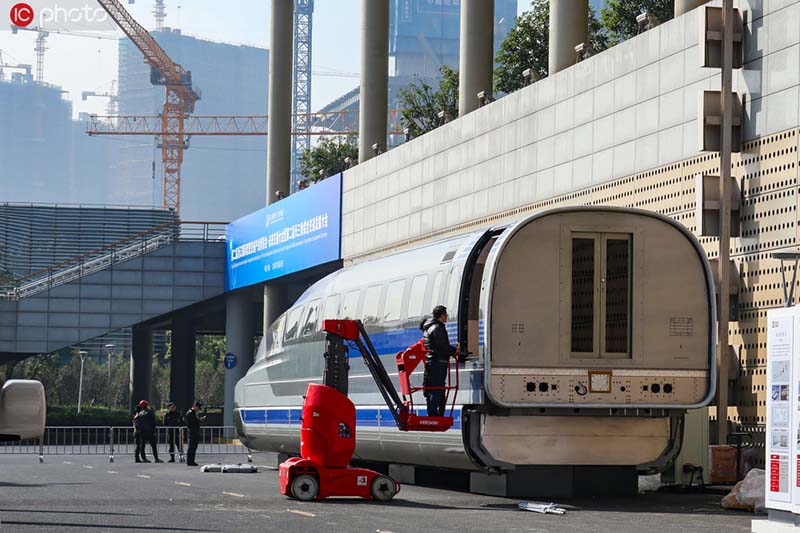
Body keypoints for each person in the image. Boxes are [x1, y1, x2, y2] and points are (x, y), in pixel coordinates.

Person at [419, 305, 459, 417]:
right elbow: (442, 346)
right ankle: (434, 414)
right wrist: (455, 350)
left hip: (431, 361)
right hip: (438, 362)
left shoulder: (429, 327)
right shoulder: (438, 328)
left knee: (434, 387)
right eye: (446, 315)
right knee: (438, 388)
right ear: (442, 315)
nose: (447, 317)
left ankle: (435, 413)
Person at [185, 400, 206, 467]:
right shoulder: (190, 413)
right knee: (191, 447)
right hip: (192, 432)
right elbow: (192, 422)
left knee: (194, 447)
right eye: (198, 408)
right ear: (195, 406)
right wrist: (199, 420)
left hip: (195, 432)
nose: (198, 410)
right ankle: (190, 461)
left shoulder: (193, 413)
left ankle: (192, 460)